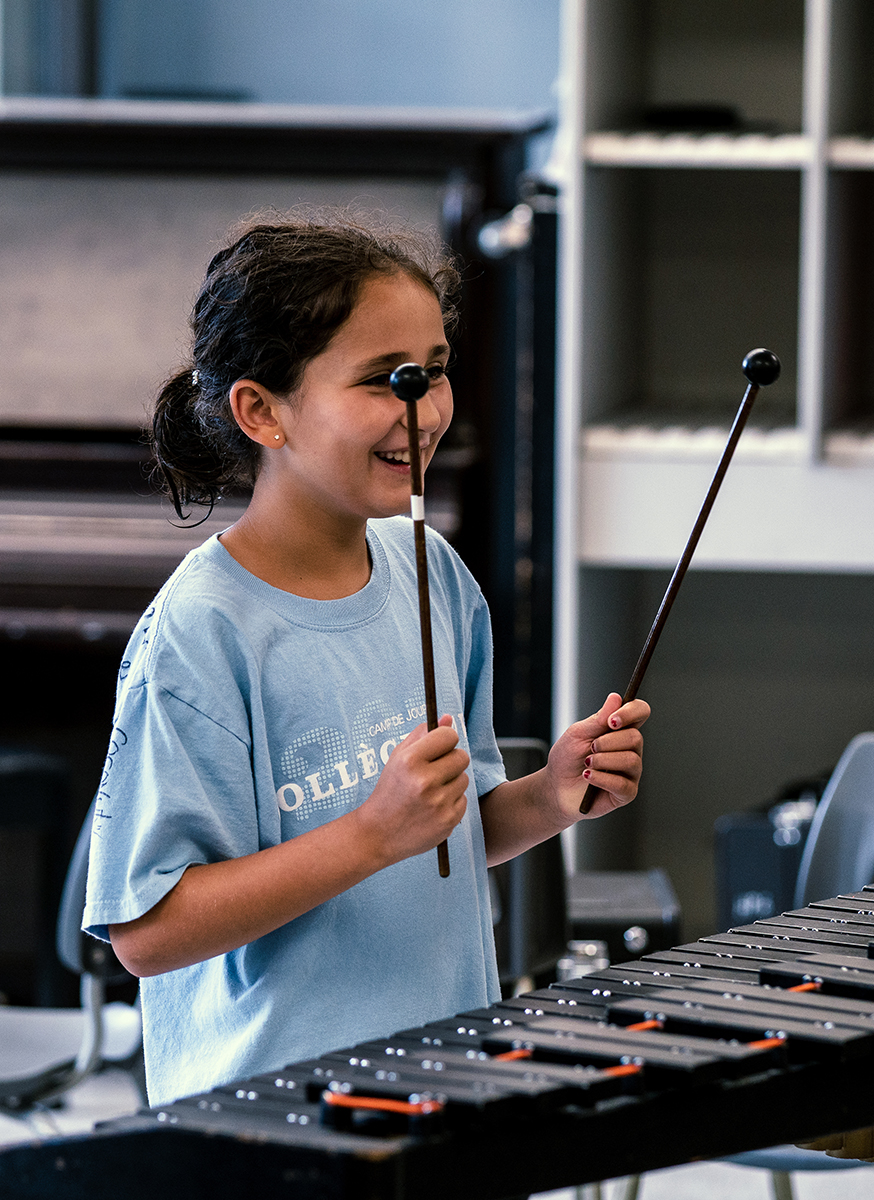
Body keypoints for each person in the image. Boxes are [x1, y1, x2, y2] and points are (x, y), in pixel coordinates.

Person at [83, 209, 650, 1107]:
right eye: (387, 380)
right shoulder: (202, 633)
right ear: (262, 411)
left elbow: (448, 835)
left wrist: (551, 796)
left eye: (435, 371)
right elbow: (147, 933)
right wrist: (366, 835)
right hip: (271, 1120)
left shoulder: (436, 575)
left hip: (441, 1087)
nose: (424, 409)